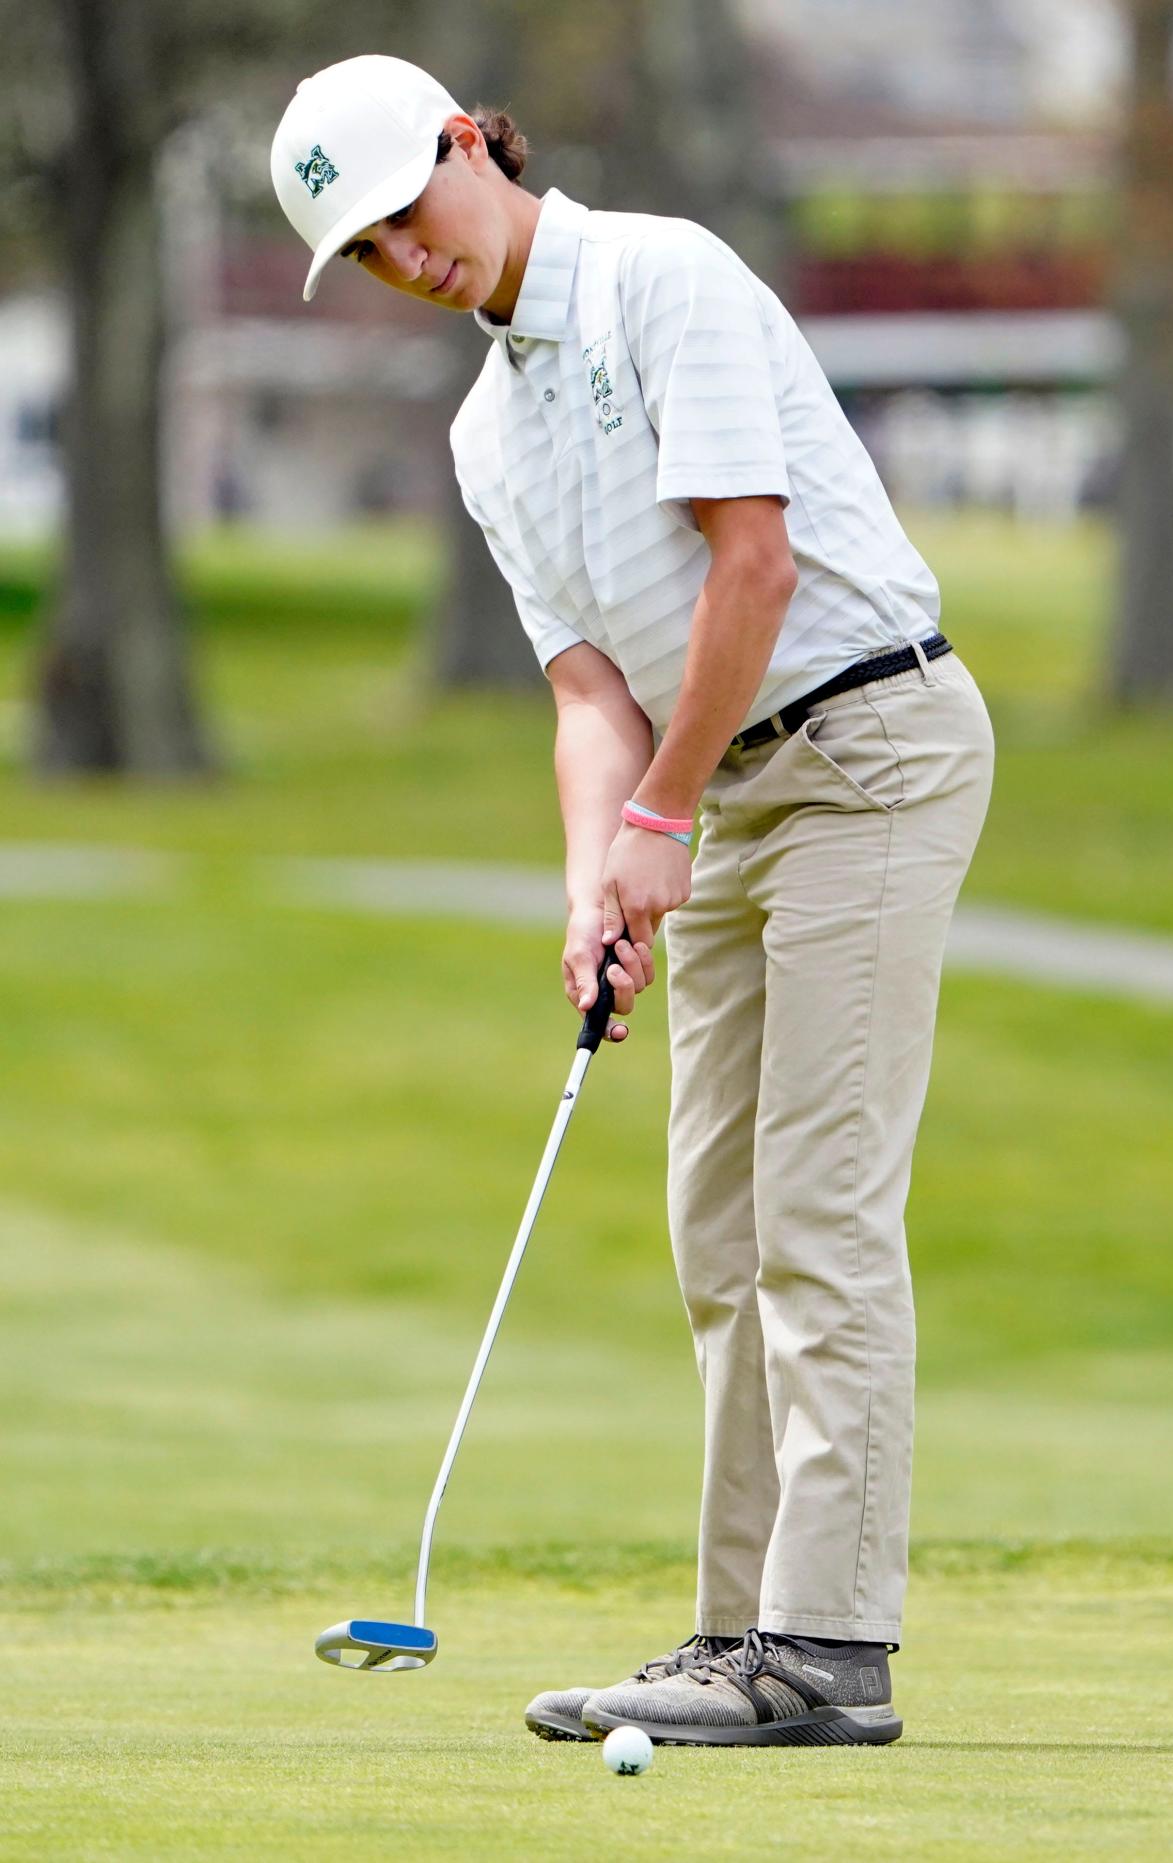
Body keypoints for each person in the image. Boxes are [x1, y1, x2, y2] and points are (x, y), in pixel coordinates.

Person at [272, 54, 994, 1749]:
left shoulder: (661, 275)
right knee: (714, 1235)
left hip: (868, 745)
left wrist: (661, 812)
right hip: (720, 784)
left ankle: (827, 1648)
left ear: (469, 144)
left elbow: (755, 560)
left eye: (403, 215)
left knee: (814, 1207)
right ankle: (741, 1628)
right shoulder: (482, 427)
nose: (405, 259)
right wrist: (600, 878)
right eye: (365, 254)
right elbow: (587, 693)